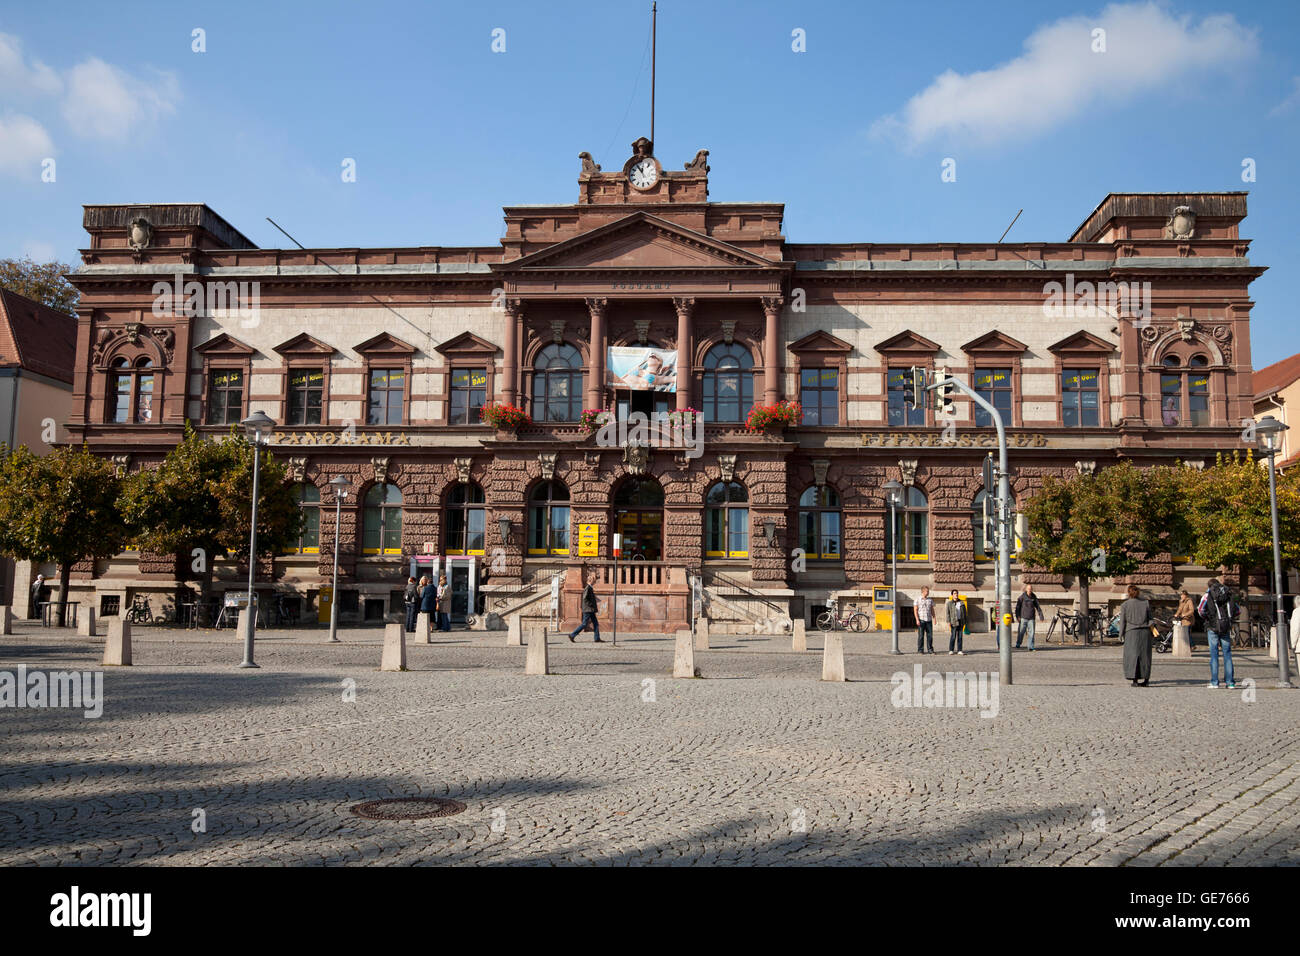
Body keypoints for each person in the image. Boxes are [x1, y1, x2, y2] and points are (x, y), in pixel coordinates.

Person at [1198, 577, 1237, 689]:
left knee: (1214, 655)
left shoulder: (1207, 595)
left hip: (1212, 627)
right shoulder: (1228, 593)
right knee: (1227, 655)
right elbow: (1237, 609)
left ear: (1209, 586)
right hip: (1225, 627)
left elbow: (1200, 610)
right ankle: (1230, 683)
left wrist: (1208, 618)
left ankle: (1215, 682)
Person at [1120, 584, 1153, 686]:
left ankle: (1134, 680)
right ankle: (1146, 680)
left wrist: (1121, 634)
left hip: (1131, 632)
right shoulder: (1145, 603)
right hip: (1145, 632)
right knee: (1145, 656)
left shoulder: (1124, 605)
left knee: (1132, 656)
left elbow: (1123, 622)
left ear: (1129, 593)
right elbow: (1150, 619)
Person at [568, 567, 603, 643]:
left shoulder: (590, 588)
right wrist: (590, 604)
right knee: (584, 624)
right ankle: (572, 635)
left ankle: (597, 638)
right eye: (594, 581)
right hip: (588, 609)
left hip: (590, 609)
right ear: (591, 581)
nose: (595, 582)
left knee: (596, 623)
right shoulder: (588, 588)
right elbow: (585, 598)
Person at [1014, 584, 1044, 650]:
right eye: (1028, 589)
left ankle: (1030, 646)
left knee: (1032, 633)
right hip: (1023, 618)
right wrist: (1018, 616)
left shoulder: (1034, 597)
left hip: (1031, 618)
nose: (1030, 590)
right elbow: (1017, 607)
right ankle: (1018, 643)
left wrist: (1041, 616)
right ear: (1026, 589)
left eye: (1031, 589)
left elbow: (1038, 606)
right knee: (1021, 632)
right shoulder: (1022, 597)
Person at [946, 590, 967, 655]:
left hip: (961, 621)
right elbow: (947, 613)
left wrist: (965, 621)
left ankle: (959, 650)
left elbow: (964, 612)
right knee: (953, 636)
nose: (956, 594)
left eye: (957, 593)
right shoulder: (949, 603)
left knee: (960, 636)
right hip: (953, 621)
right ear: (952, 595)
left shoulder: (961, 602)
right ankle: (951, 650)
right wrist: (948, 621)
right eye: (955, 593)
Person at [915, 586, 935, 654]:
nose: (928, 592)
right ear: (923, 591)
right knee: (921, 636)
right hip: (921, 620)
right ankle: (920, 650)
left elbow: (932, 609)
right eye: (927, 591)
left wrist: (934, 618)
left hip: (929, 620)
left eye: (928, 591)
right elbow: (915, 610)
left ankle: (930, 649)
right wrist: (917, 619)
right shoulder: (917, 599)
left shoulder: (930, 600)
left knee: (930, 636)